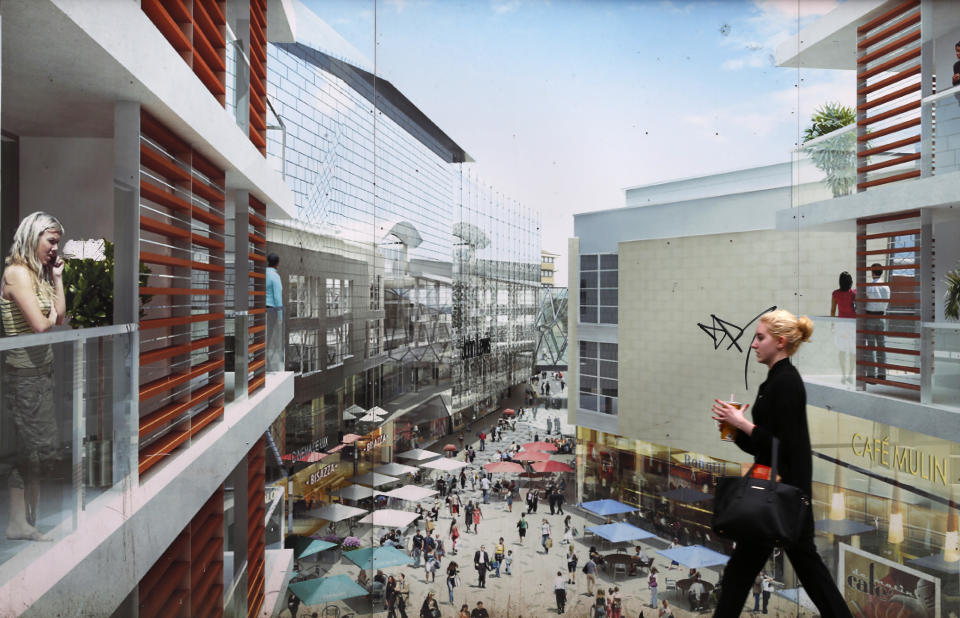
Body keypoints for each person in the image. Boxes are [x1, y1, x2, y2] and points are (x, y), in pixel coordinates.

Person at [710, 309, 853, 617]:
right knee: (749, 573)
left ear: (780, 342)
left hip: (784, 496)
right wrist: (732, 427)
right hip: (776, 493)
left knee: (763, 573)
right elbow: (764, 447)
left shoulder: (786, 382)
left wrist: (743, 424)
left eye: (760, 338)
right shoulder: (773, 383)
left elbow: (783, 445)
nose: (753, 344)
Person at [1, 212, 66, 542]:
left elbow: (61, 315)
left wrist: (56, 279)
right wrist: (51, 315)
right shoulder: (16, 274)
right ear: (32, 236)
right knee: (30, 451)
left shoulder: (37, 274)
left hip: (43, 372)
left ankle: (27, 521)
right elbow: (42, 325)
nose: (56, 248)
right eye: (51, 241)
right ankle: (20, 523)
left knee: (38, 452)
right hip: (25, 375)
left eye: (57, 242)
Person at [863, 263, 890, 381]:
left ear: (872, 272)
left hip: (870, 317)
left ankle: (871, 375)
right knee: (881, 346)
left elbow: (864, 301)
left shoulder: (869, 287)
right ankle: (882, 374)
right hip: (882, 318)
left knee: (870, 347)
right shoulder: (886, 287)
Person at [830, 270, 857, 384]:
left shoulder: (835, 293)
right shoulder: (854, 293)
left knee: (842, 350)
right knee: (852, 351)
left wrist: (832, 325)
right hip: (852, 325)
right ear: (850, 282)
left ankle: (843, 375)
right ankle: (850, 375)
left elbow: (832, 311)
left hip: (841, 325)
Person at [265, 251, 284, 371]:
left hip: (260, 309)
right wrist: (280, 316)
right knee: (269, 336)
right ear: (277, 263)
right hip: (271, 310)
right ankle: (267, 360)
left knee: (262, 335)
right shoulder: (275, 276)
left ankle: (262, 358)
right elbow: (277, 297)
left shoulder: (263, 274)